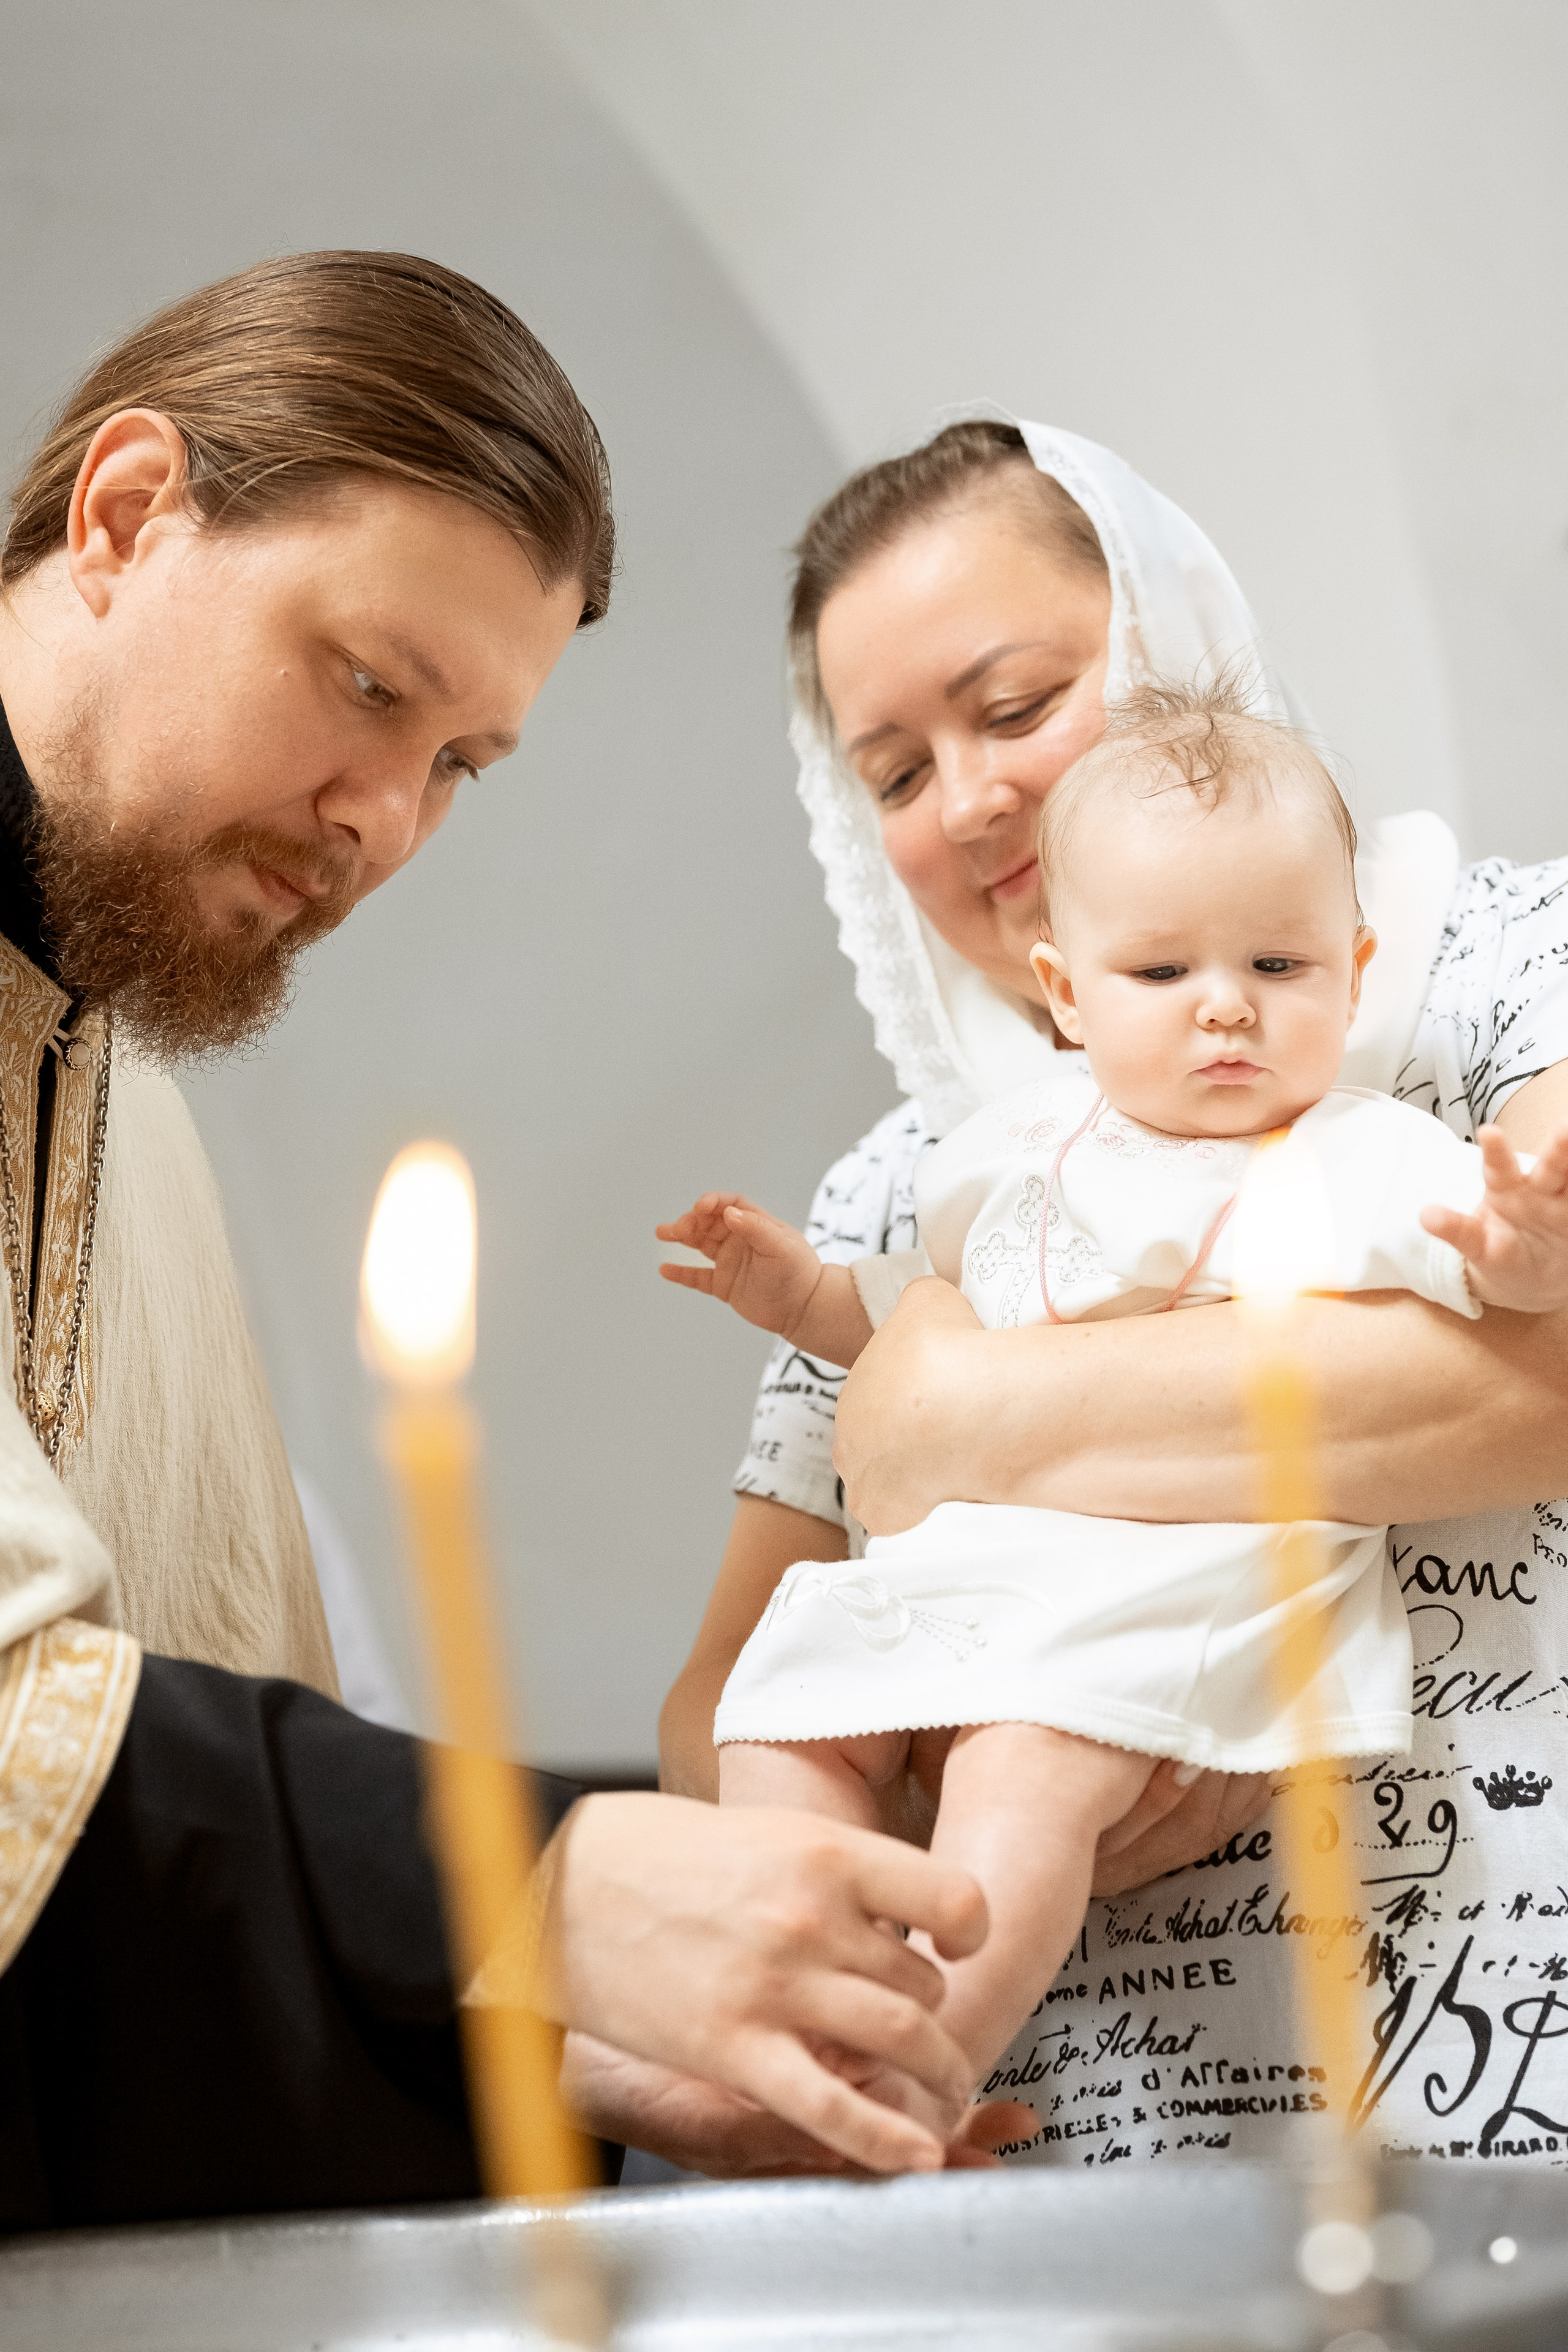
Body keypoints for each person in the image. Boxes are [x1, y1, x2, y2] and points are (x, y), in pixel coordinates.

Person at [0, 253, 1028, 2225]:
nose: (385, 819)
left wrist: (567, 2042)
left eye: (460, 766)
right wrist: (536, 1890)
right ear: (126, 516)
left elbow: (137, 1916)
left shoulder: (138, 1134)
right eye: (371, 687)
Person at [657, 417, 1568, 2172]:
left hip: (1486, 2087)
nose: (974, 797)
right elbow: (719, 1704)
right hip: (1071, 2125)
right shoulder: (910, 1179)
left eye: (1012, 707)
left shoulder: (1514, 966)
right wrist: (990, 1758)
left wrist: (951, 1418)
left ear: (1170, 643)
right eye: (898, 773)